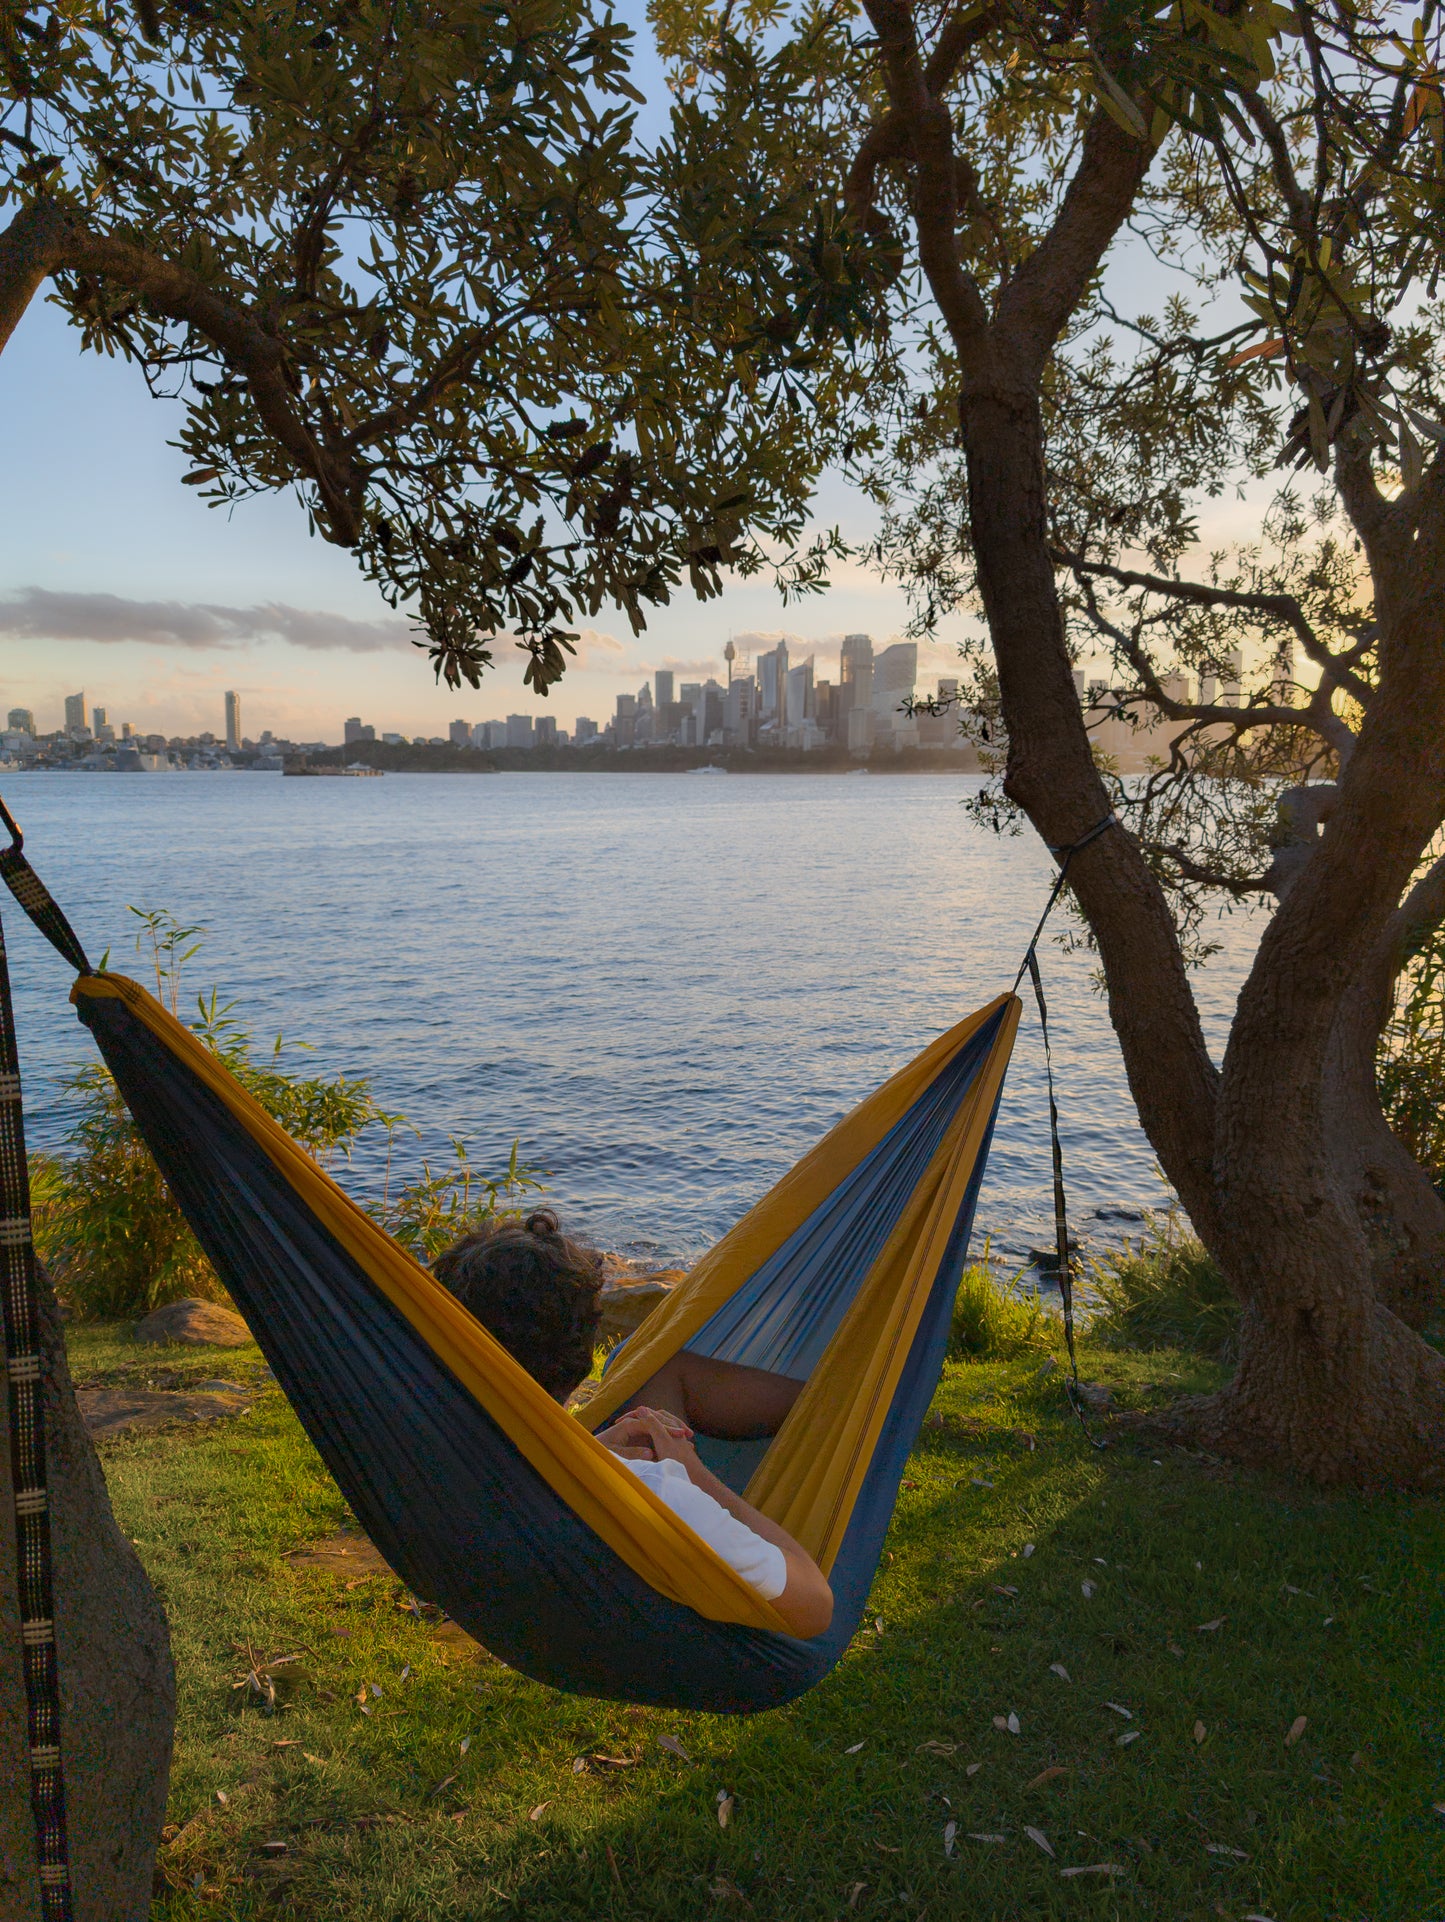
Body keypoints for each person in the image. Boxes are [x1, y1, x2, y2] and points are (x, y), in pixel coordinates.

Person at [433, 1210, 832, 1638]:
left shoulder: (437, 1452)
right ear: (581, 1358)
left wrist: (589, 1450)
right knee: (643, 1366)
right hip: (675, 1632)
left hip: (535, 1566)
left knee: (642, 1364)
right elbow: (814, 1608)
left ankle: (832, 1391)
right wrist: (692, 1475)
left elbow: (533, 1478)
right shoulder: (660, 1492)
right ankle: (837, 1394)